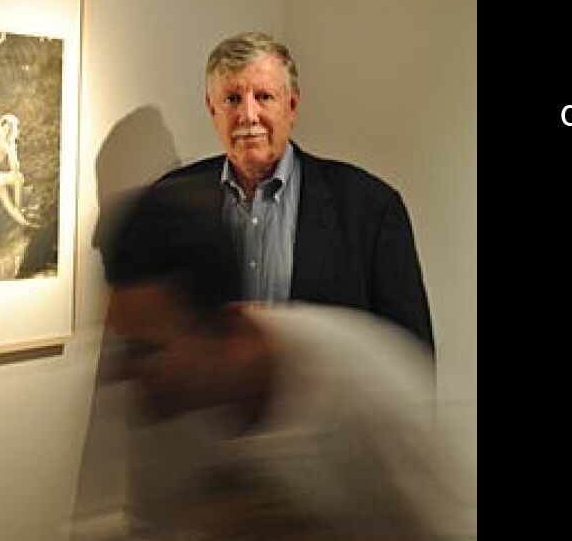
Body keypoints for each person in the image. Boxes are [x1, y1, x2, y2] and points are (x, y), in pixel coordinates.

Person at [97, 179, 467, 539]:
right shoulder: (161, 406)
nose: (124, 374)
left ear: (227, 326)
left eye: (144, 351)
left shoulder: (371, 391)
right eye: (123, 347)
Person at [155, 32, 433, 348]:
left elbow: (411, 355)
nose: (248, 115)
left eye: (264, 97)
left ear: (292, 105)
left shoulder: (370, 208)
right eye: (232, 99)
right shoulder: (170, 200)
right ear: (211, 109)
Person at [0, 113, 34, 227]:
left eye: (10, 127)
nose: (6, 129)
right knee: (16, 180)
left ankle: (22, 220)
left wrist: (12, 147)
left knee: (6, 197)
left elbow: (15, 166)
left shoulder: (9, 142)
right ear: (1, 125)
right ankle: (20, 212)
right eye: (5, 125)